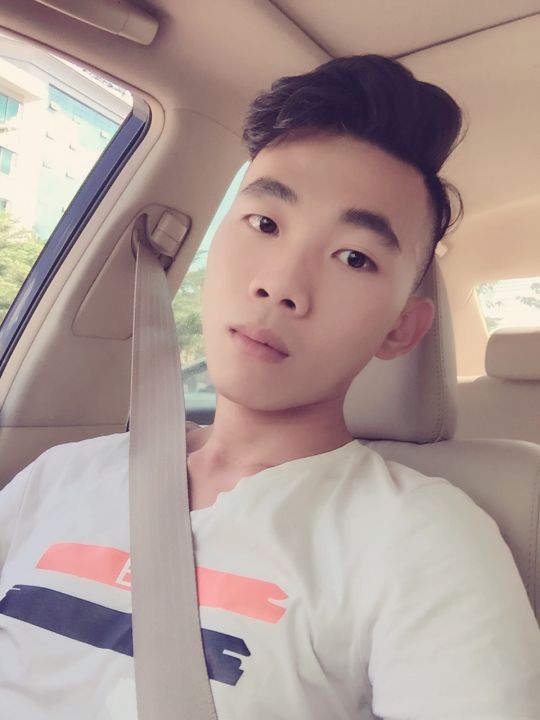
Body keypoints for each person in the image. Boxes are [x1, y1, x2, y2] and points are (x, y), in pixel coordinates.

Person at [0, 55, 539, 719]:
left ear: (402, 329)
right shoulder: (57, 476)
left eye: (354, 257)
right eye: (264, 223)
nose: (281, 284)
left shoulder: (423, 541)